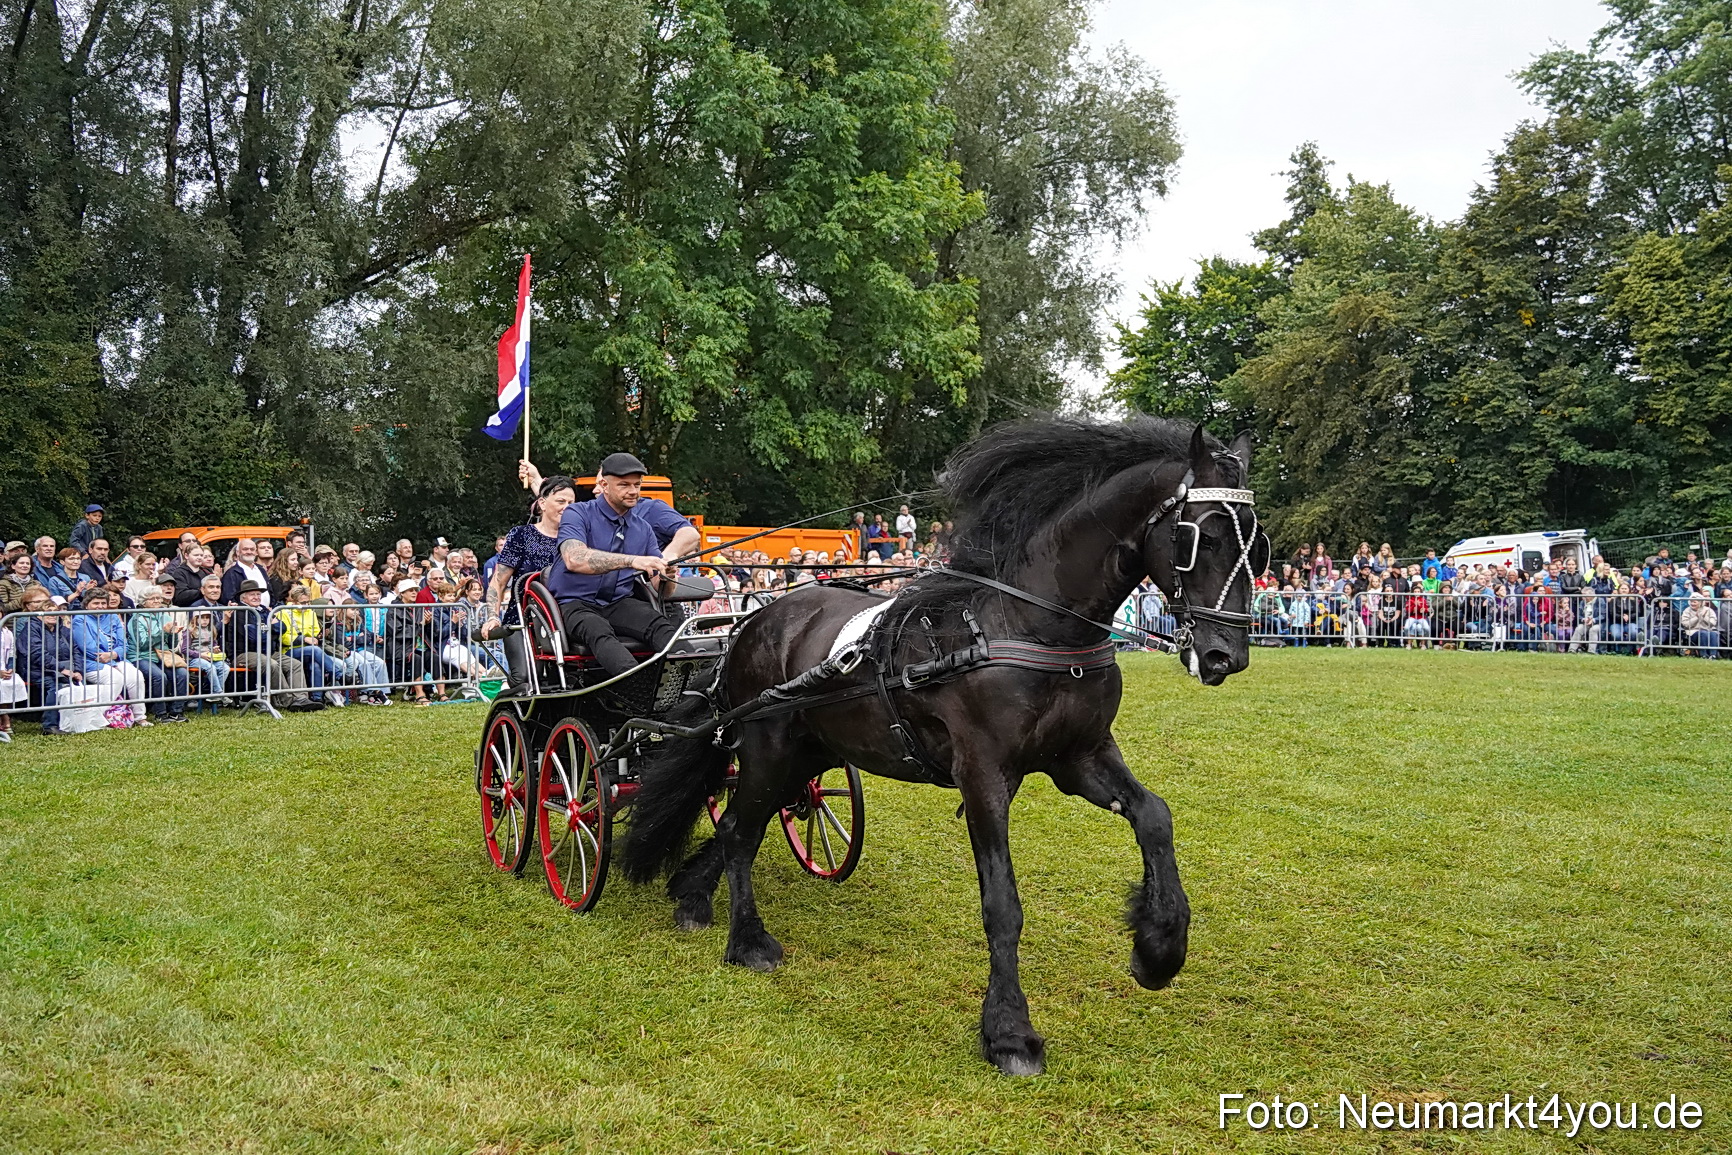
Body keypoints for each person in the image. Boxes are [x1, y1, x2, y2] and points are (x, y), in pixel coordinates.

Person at [545, 452, 700, 678]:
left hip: (618, 603)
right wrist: (632, 560)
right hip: (574, 605)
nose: (633, 491)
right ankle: (637, 686)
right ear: (604, 485)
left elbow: (663, 592)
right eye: (624, 485)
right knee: (598, 630)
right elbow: (574, 558)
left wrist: (668, 575)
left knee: (660, 624)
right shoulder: (577, 513)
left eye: (637, 485)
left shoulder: (643, 528)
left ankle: (696, 681)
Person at [483, 475, 578, 688]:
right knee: (526, 677)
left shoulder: (576, 538)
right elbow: (498, 581)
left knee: (565, 681)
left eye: (571, 503)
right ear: (542, 503)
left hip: (563, 619)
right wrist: (492, 616)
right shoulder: (522, 535)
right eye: (561, 502)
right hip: (522, 621)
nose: (566, 507)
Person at [226, 580, 318, 712]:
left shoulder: (263, 609)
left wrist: (267, 629)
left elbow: (283, 627)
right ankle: (289, 701)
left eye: (258, 594)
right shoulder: (240, 612)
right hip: (244, 653)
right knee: (272, 664)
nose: (257, 597)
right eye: (252, 594)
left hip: (268, 651)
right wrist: (272, 627)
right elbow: (254, 638)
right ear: (243, 597)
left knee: (295, 664)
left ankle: (301, 699)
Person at [71, 587, 149, 715]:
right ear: (86, 605)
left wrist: (113, 655)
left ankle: (139, 716)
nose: (100, 606)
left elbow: (123, 644)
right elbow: (87, 647)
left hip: (115, 658)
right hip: (92, 662)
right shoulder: (79, 619)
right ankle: (98, 714)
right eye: (96, 603)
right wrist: (109, 661)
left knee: (136, 676)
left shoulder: (113, 616)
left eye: (103, 603)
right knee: (116, 678)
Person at [14, 586, 79, 734]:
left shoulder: (63, 630)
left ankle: (72, 722)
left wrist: (78, 670)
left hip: (60, 668)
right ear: (39, 615)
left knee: (74, 682)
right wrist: (61, 669)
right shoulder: (31, 628)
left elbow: (76, 651)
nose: (52, 615)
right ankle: (49, 725)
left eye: (55, 612)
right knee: (55, 685)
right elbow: (37, 654)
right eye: (48, 612)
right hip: (35, 669)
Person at [125, 586, 190, 723]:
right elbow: (142, 644)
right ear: (143, 602)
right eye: (152, 599)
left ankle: (176, 711)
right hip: (141, 655)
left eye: (158, 598)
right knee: (158, 676)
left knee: (182, 674)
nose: (156, 601)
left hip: (163, 654)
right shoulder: (137, 618)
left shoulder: (165, 615)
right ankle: (160, 713)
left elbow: (172, 645)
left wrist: (174, 633)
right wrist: (163, 632)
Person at [222, 538, 273, 606]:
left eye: (252, 549)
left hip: (266, 613)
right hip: (246, 614)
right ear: (237, 552)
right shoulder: (232, 573)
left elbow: (270, 592)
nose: (249, 552)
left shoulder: (261, 569)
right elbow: (229, 598)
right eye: (245, 549)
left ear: (256, 552)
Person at [30, 537, 75, 604]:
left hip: (62, 605)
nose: (49, 548)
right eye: (45, 546)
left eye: (52, 546)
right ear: (37, 549)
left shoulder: (61, 568)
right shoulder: (30, 566)